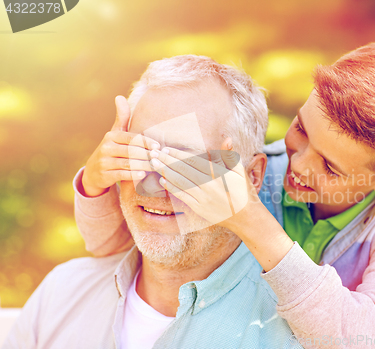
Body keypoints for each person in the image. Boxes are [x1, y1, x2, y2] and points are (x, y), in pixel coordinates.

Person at [73, 40, 375, 348]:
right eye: (301, 130)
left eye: (330, 168)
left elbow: (368, 337)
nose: (298, 165)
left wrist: (251, 221)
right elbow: (111, 245)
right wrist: (95, 182)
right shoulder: (255, 172)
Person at [3, 56, 302, 349]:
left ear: (252, 176)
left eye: (183, 161)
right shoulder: (62, 292)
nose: (154, 184)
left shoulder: (291, 334)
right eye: (140, 152)